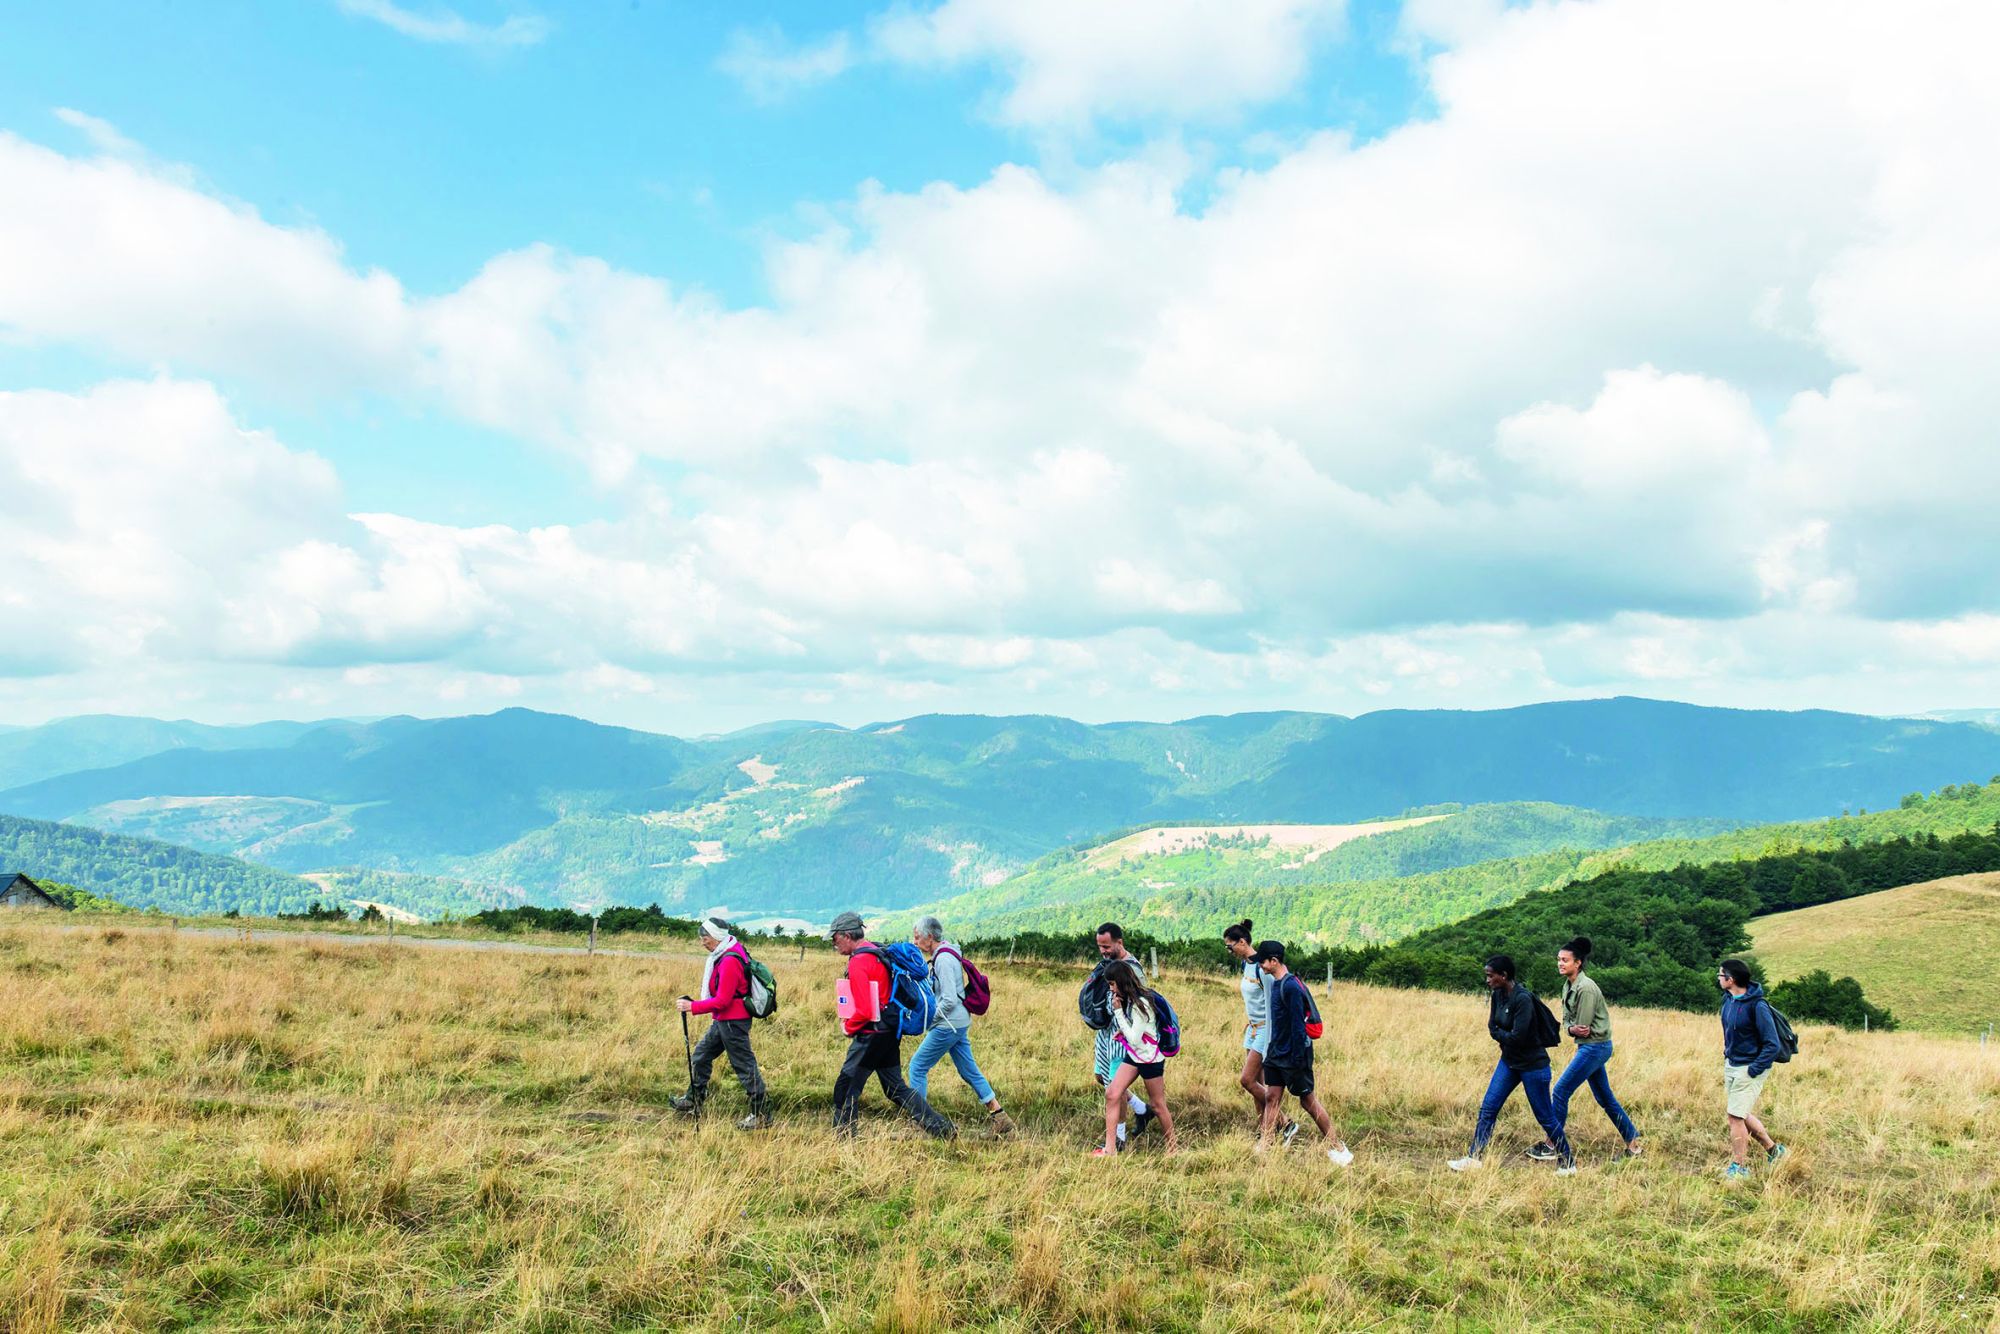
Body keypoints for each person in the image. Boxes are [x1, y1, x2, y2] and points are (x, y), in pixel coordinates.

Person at [828, 911, 955, 1140]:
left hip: (871, 1035)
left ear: (847, 935)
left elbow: (866, 1010)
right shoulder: (877, 951)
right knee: (895, 1088)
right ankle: (942, 1128)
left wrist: (848, 1027)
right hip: (890, 1031)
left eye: (835, 938)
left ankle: (843, 1140)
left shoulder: (859, 961)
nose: (834, 944)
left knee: (846, 1086)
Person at [1447, 955, 1575, 1174]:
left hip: (1533, 1066)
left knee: (1544, 1116)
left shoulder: (1523, 999)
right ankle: (1474, 1158)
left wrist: (1502, 1035)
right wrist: (1503, 1035)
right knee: (1488, 1108)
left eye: (1490, 975)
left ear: (1503, 976)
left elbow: (1519, 1036)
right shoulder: (1497, 995)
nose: (1487, 980)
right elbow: (1492, 1027)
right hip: (1509, 1062)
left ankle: (1568, 1163)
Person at [1527, 937, 1639, 1162]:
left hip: (1595, 1047)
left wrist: (1570, 1028)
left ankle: (1552, 1144)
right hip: (1589, 1047)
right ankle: (1634, 1146)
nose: (1560, 963)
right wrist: (1570, 1029)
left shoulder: (1585, 988)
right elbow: (1569, 1023)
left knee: (1560, 1091)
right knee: (1605, 1097)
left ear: (1578, 963)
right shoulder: (1568, 985)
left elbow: (1583, 1028)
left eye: (1565, 960)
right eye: (1559, 959)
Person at [908, 915, 1016, 1137]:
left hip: (949, 1025)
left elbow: (948, 999)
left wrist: (930, 1019)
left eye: (917, 937)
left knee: (917, 1067)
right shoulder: (947, 953)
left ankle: (920, 1123)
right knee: (969, 1071)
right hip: (959, 1022)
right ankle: (1000, 1117)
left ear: (929, 937)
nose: (915, 942)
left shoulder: (943, 960)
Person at [1253, 942, 1353, 1165]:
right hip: (1276, 1054)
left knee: (1307, 1102)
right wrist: (1271, 1052)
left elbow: (1299, 1028)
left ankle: (1338, 1147)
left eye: (1263, 961)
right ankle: (1266, 1145)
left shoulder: (1291, 987)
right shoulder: (1278, 984)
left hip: (1293, 1058)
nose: (1260, 965)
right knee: (1271, 1097)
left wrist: (1298, 1062)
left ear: (1274, 961)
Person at [671, 915, 770, 1129]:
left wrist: (693, 1007)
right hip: (725, 1021)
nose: (702, 941)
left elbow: (723, 1000)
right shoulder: (727, 952)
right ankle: (692, 1100)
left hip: (733, 1022)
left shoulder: (729, 960)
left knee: (744, 1066)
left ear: (715, 937)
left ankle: (761, 1115)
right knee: (701, 1055)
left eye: (704, 937)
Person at [1091, 960, 1179, 1156]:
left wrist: (1118, 1012)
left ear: (1121, 982)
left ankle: (1173, 1149)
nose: (1111, 989)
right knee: (1112, 1093)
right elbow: (1135, 1036)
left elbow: (1134, 1037)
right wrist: (1122, 1033)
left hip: (1149, 1060)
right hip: (1135, 1055)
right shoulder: (1130, 999)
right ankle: (1110, 1149)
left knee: (1157, 1104)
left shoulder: (1142, 1003)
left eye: (1112, 984)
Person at [1717, 958, 1788, 1181]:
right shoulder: (1728, 1000)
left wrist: (1754, 1069)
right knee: (1741, 1113)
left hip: (1749, 1068)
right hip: (1732, 1064)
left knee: (1734, 1117)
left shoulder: (1758, 1006)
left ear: (1731, 979)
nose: (1718, 978)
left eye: (1721, 975)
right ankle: (1774, 1151)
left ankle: (1739, 1168)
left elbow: (1772, 1044)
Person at [1087, 924, 1154, 1147]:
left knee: (1116, 1087)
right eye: (1100, 947)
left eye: (1106, 946)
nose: (1103, 951)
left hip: (1122, 1036)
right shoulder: (1109, 965)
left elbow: (1141, 1006)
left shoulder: (1133, 969)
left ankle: (1119, 1138)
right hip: (1106, 1033)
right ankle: (1142, 1109)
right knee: (1101, 1078)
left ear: (1119, 942)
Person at [1225, 920, 1293, 1139]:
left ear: (1242, 942)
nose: (1229, 950)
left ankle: (1284, 1122)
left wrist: (1271, 1036)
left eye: (1230, 946)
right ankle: (1266, 1131)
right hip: (1253, 1028)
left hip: (1266, 1029)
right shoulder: (1246, 965)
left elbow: (1272, 1001)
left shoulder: (1262, 968)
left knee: (1247, 1080)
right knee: (1258, 1083)